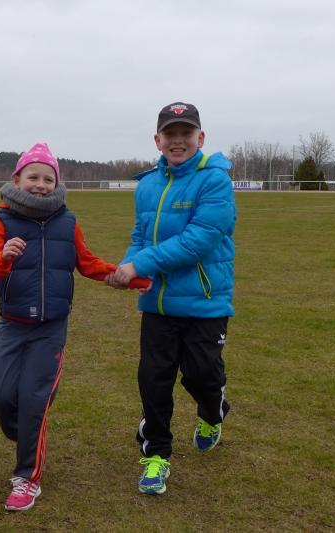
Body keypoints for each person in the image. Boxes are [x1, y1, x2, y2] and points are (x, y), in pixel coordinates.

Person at [0, 142, 147, 511]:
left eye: (48, 179)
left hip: (50, 329)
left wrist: (132, 278)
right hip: (12, 326)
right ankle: (28, 433)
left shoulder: (67, 222)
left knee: (34, 402)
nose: (40, 185)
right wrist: (3, 258)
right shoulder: (2, 221)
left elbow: (87, 263)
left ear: (57, 183)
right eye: (33, 177)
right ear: (17, 180)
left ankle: (27, 479)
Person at [107, 102, 237, 495]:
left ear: (201, 138)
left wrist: (141, 263)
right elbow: (140, 237)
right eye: (170, 134)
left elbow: (198, 241)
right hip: (158, 305)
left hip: (204, 304)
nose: (178, 141)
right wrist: (128, 268)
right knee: (154, 381)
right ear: (157, 140)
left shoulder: (214, 181)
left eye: (186, 133)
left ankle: (213, 412)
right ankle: (156, 455)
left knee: (202, 376)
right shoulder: (148, 184)